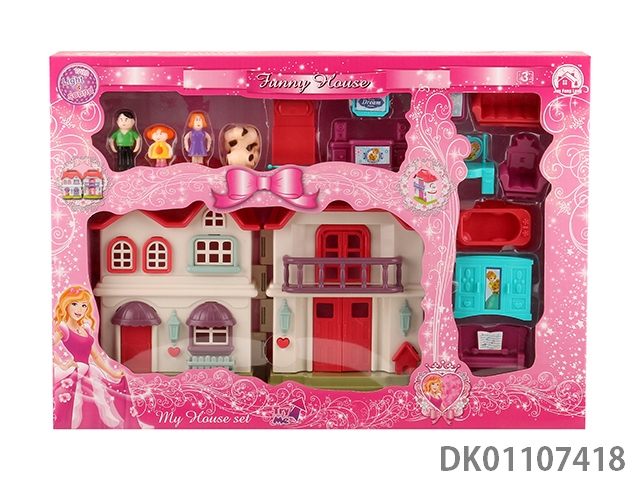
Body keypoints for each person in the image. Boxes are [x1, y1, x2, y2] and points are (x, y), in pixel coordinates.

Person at [52, 286, 139, 428]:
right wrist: (62, 365)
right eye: (75, 304)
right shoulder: (64, 329)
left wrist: (113, 373)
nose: (80, 309)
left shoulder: (85, 329)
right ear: (66, 305)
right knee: (78, 406)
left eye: (84, 305)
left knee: (97, 405)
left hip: (90, 372)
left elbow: (96, 356)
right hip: (77, 373)